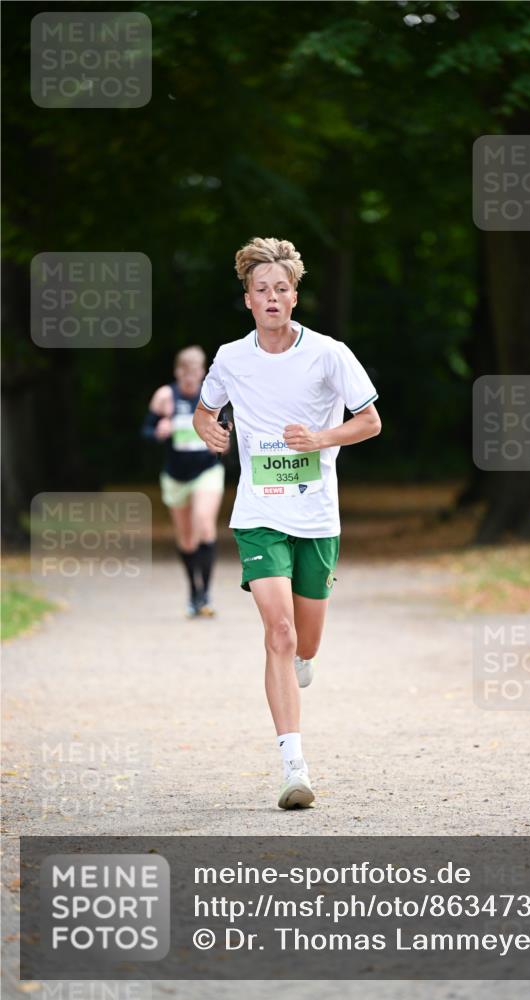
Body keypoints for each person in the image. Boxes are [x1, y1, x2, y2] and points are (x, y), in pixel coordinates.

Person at [193, 237, 381, 810]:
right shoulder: (230, 358)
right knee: (278, 633)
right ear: (247, 299)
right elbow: (204, 409)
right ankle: (293, 766)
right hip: (259, 512)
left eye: (281, 289)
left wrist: (321, 438)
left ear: (294, 297)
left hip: (317, 513)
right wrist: (208, 428)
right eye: (261, 290)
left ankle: (304, 659)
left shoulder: (329, 354)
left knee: (306, 643)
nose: (272, 298)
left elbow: (369, 421)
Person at [142, 346, 227, 618]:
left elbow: (227, 436)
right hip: (175, 476)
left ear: (202, 372)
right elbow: (145, 431)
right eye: (184, 373)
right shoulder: (165, 397)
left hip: (207, 470)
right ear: (177, 372)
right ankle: (193, 591)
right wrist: (158, 431)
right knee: (187, 538)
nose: (190, 378)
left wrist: (223, 436)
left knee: (204, 524)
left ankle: (206, 596)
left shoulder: (213, 397)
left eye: (195, 373)